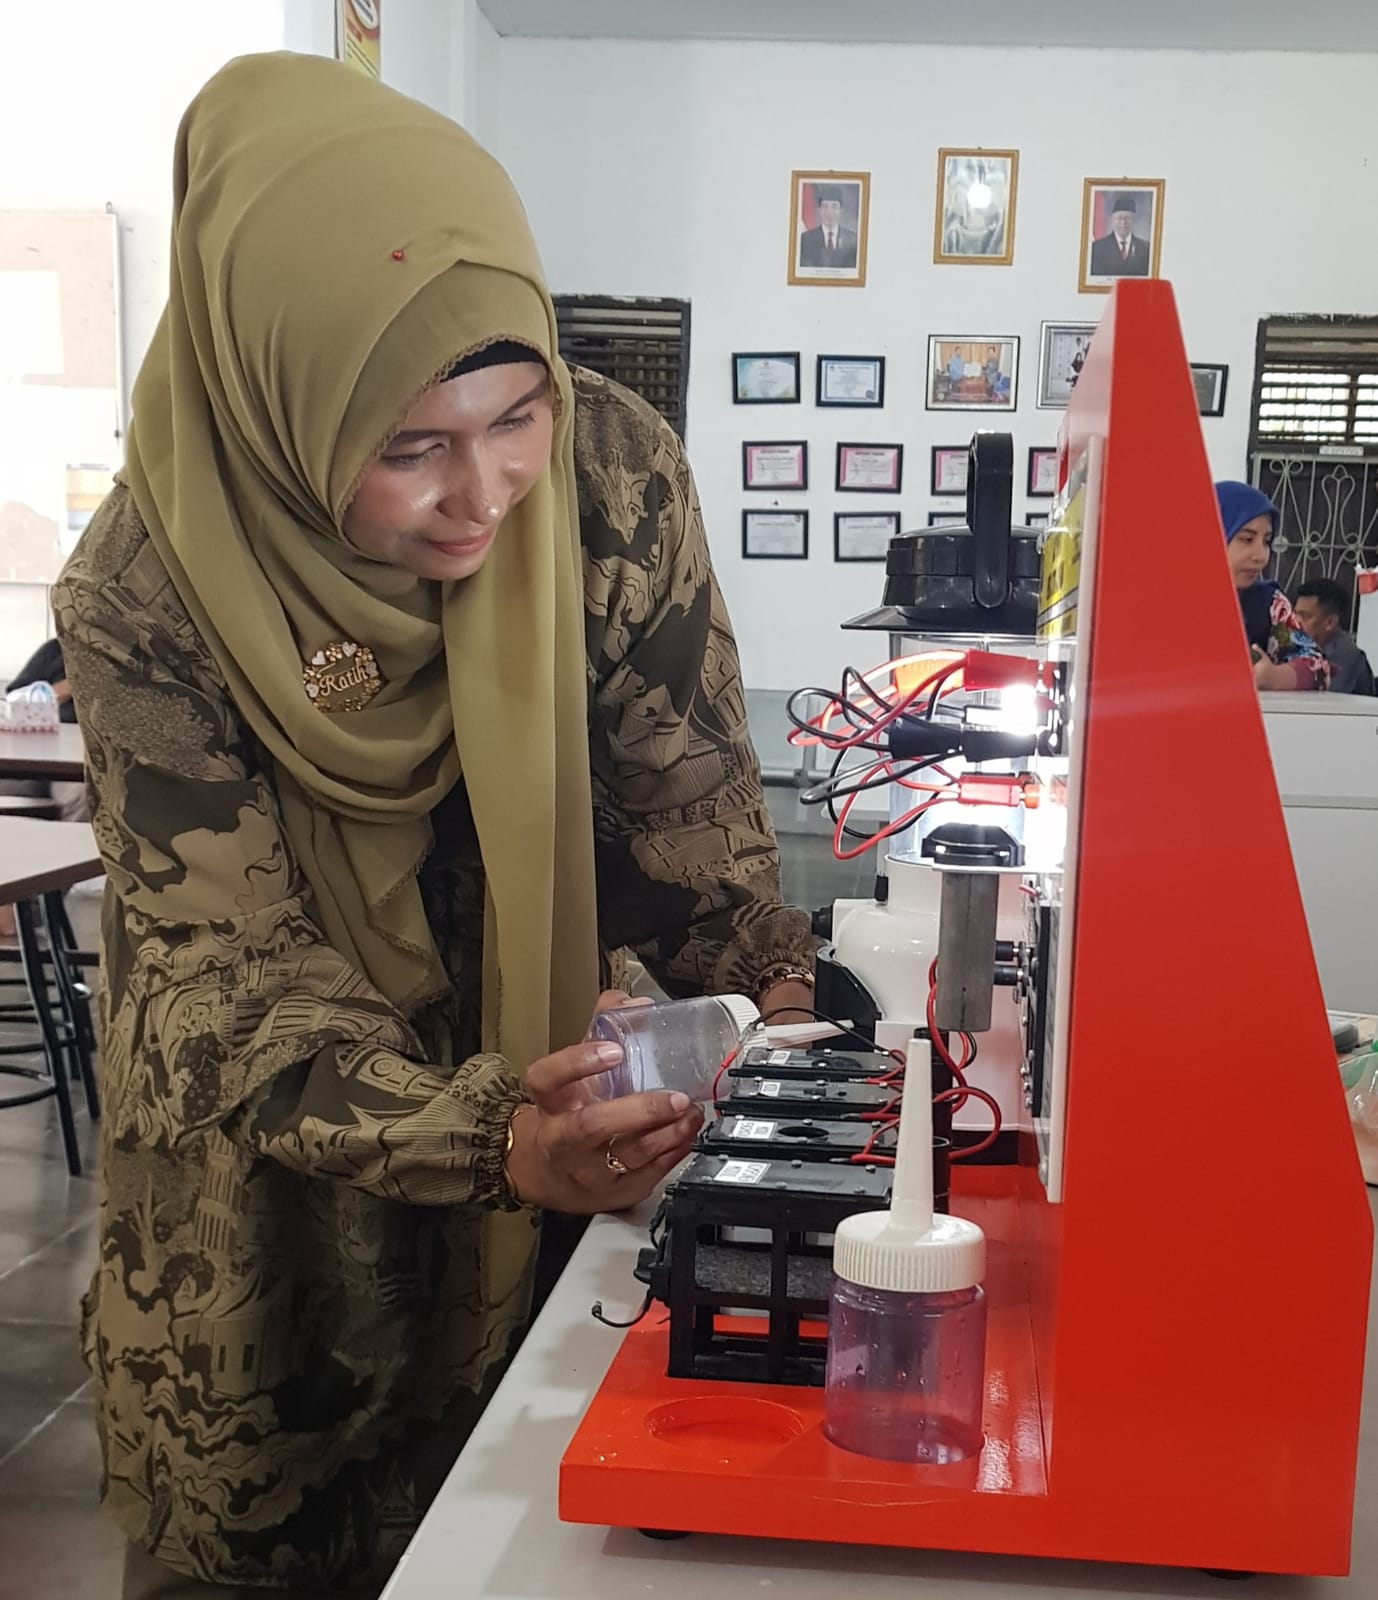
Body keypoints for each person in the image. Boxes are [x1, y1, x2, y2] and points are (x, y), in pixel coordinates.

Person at [52, 54, 815, 1598]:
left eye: (514, 414)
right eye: (409, 448)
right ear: (279, 402)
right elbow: (226, 974)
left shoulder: (606, 477)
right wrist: (491, 1134)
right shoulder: (148, 589)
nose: (484, 495)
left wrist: (784, 1020)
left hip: (555, 1124)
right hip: (273, 1204)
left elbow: (688, 816)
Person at [0, 638, 87, 937]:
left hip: (81, 762)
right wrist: (65, 688)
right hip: (31, 749)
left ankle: (31, 909)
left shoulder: (130, 659)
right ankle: (5, 902)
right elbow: (15, 700)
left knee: (83, 799)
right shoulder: (56, 650)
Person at [1216, 481, 1328, 691]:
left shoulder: (1269, 604)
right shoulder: (1166, 601)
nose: (1261, 556)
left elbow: (1319, 667)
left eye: (1266, 542)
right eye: (1247, 539)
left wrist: (1273, 677)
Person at [1294, 577, 1375, 695]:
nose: (1296, 622)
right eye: (1295, 614)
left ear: (1330, 622)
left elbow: (1323, 699)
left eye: (1306, 616)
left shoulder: (1346, 656)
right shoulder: (1300, 647)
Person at [1088, 192, 1152, 278]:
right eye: (1119, 218)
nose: (1123, 222)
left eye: (1127, 218)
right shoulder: (1097, 248)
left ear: (1133, 220)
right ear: (1113, 220)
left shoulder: (1145, 249)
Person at [797, 183, 858, 269]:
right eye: (825, 207)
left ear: (841, 210)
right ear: (819, 210)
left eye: (834, 207)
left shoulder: (852, 239)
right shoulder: (806, 239)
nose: (829, 212)